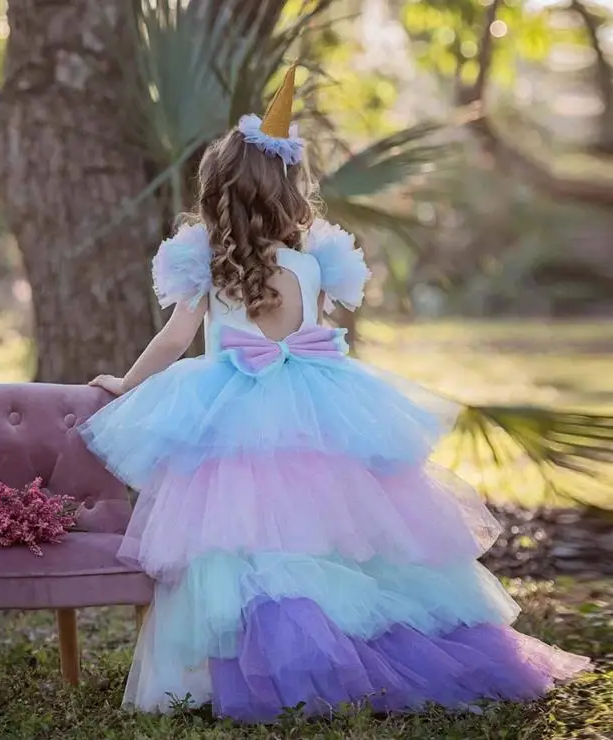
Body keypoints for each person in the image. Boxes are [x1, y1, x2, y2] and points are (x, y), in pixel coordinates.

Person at [79, 65, 589, 723]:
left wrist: (126, 385)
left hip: (229, 408)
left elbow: (176, 339)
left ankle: (224, 670)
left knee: (236, 540)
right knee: (332, 533)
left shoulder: (207, 259)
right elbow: (312, 326)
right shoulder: (313, 261)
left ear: (219, 190)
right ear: (290, 192)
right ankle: (346, 646)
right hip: (315, 404)